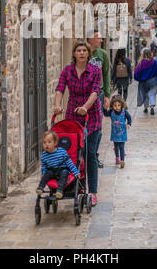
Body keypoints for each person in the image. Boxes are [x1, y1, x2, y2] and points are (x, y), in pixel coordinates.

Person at [54, 41, 102, 206]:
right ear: (74, 54)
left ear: (88, 54)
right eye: (78, 50)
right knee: (74, 154)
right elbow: (60, 88)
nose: (81, 53)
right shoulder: (67, 70)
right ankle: (78, 187)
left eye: (84, 50)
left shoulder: (95, 70)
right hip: (73, 117)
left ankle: (93, 191)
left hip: (92, 117)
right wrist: (57, 105)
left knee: (90, 154)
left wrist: (85, 107)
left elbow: (95, 92)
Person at [87, 30, 111, 169]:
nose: (101, 40)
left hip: (99, 93)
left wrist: (107, 95)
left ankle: (94, 156)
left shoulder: (103, 54)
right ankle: (85, 156)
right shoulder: (83, 52)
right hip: (85, 93)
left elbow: (106, 74)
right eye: (98, 38)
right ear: (90, 39)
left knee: (98, 127)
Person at [36, 131, 80, 199]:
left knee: (64, 176)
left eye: (49, 142)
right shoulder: (44, 155)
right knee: (46, 175)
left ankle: (59, 190)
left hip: (62, 170)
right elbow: (44, 166)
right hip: (52, 170)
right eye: (44, 142)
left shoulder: (62, 152)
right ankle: (41, 187)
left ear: (55, 143)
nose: (46, 144)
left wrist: (76, 172)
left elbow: (69, 163)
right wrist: (43, 173)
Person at [103, 95, 132, 168]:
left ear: (121, 105)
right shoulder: (111, 112)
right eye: (115, 105)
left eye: (119, 105)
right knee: (116, 146)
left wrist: (129, 124)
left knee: (122, 147)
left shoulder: (124, 112)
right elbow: (106, 114)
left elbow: (129, 118)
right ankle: (117, 158)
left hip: (122, 134)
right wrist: (104, 108)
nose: (117, 107)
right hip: (115, 133)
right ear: (112, 105)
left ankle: (122, 160)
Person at [134, 48, 157, 115]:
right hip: (154, 82)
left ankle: (145, 108)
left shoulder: (141, 64)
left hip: (144, 83)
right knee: (152, 93)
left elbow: (135, 74)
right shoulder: (154, 62)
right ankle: (152, 107)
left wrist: (140, 79)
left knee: (145, 94)